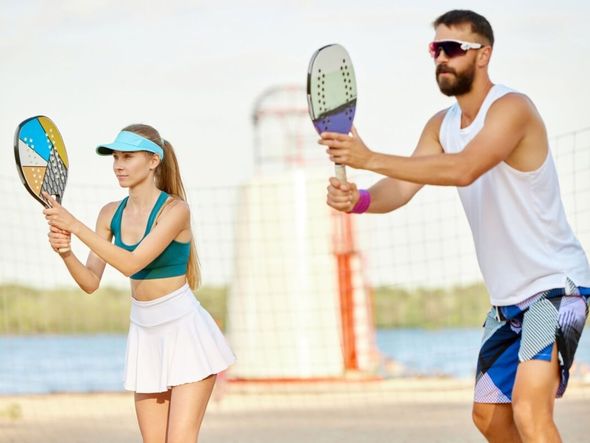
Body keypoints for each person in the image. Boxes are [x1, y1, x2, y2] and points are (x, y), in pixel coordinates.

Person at [319, 9, 590, 443]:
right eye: (434, 49)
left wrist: (367, 157)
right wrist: (361, 199)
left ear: (483, 55)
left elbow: (465, 168)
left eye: (452, 48)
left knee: (528, 410)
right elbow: (403, 187)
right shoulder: (441, 125)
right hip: (507, 301)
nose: (441, 58)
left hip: (552, 288)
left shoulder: (512, 108)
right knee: (488, 417)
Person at [43, 124, 235, 443]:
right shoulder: (109, 214)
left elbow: (132, 263)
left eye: (128, 156)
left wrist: (73, 225)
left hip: (185, 331)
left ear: (153, 161)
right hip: (145, 332)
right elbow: (91, 282)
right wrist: (66, 252)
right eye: (115, 157)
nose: (118, 164)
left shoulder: (175, 210)